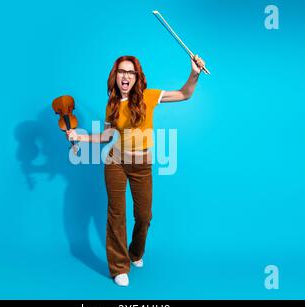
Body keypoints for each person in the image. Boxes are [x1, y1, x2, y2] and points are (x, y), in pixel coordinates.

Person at [66, 55, 205, 286]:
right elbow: (107, 136)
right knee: (116, 214)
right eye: (122, 71)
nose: (126, 76)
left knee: (143, 216)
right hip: (115, 162)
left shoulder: (148, 97)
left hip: (142, 165)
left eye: (131, 73)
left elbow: (184, 94)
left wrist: (194, 73)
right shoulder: (111, 103)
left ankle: (135, 253)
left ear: (136, 77)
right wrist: (80, 135)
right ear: (116, 75)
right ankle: (119, 267)